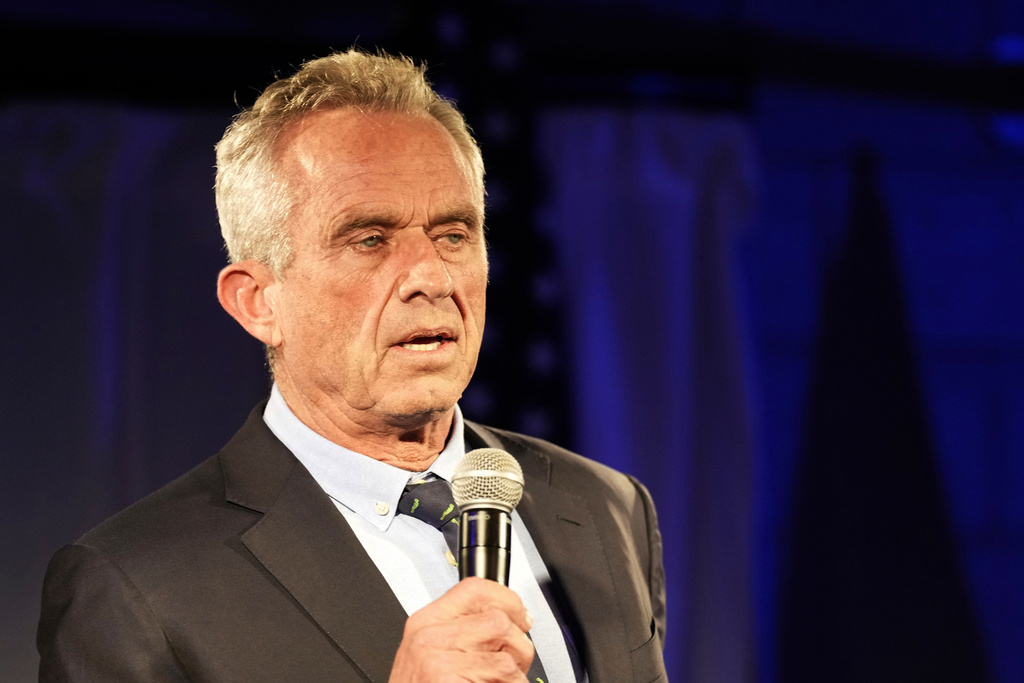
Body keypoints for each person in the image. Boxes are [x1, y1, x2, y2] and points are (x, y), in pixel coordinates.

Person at [37, 48, 667, 682]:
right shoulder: (133, 589)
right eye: (370, 239)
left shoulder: (608, 507)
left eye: (453, 234)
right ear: (258, 302)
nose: (430, 276)